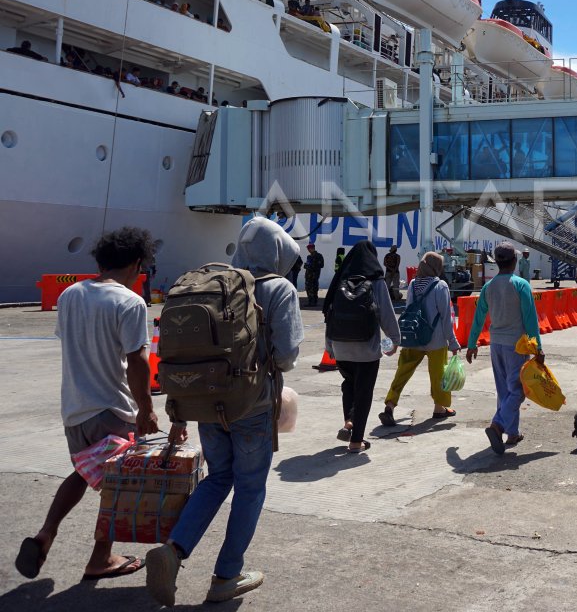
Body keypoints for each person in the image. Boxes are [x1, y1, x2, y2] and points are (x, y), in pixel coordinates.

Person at [145, 217, 302, 605]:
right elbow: (285, 356)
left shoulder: (219, 286)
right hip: (252, 405)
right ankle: (227, 575)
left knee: (218, 479)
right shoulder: (279, 288)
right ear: (279, 252)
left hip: (206, 403)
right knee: (250, 488)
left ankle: (174, 549)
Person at [16, 228, 157, 583]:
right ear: (137, 263)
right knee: (120, 488)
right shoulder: (129, 302)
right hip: (110, 409)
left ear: (100, 260)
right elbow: (137, 361)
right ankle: (101, 558)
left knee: (83, 472)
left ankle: (46, 533)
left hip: (74, 411)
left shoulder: (69, 295)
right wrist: (146, 408)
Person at [466, 243, 544, 454]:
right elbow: (530, 320)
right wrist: (538, 348)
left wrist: (472, 344)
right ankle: (498, 425)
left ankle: (512, 432)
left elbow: (478, 317)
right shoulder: (521, 285)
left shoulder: (488, 287)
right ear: (515, 261)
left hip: (496, 344)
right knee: (518, 391)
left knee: (504, 390)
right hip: (516, 346)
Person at [323, 241, 400, 453]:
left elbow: (330, 314)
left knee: (348, 384)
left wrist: (329, 346)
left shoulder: (341, 279)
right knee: (363, 392)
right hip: (366, 349)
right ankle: (356, 441)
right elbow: (386, 314)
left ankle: (349, 421)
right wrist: (393, 340)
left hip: (340, 346)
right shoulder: (376, 281)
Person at [379, 251, 459, 425]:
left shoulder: (413, 284)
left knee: (402, 372)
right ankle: (439, 408)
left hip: (413, 337)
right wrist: (453, 342)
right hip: (436, 340)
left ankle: (390, 405)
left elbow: (408, 310)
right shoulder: (441, 286)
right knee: (439, 374)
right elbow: (446, 318)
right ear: (436, 267)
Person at [303, 243, 324, 307]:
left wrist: (311, 266)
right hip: (308, 276)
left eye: (309, 249)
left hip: (314, 276)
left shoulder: (318, 256)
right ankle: (311, 302)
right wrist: (307, 266)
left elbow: (321, 265)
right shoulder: (309, 256)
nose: (308, 250)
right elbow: (306, 265)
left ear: (312, 248)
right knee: (309, 289)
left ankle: (313, 302)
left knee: (313, 289)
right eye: (308, 249)